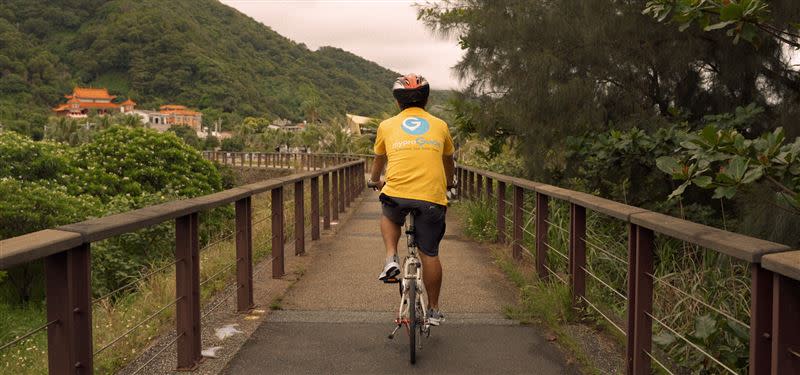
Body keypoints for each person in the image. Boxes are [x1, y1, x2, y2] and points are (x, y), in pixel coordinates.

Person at [368, 74, 455, 326]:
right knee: (430, 253)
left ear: (397, 103)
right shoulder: (440, 125)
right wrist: (449, 183)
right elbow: (448, 160)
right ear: (426, 99)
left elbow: (378, 161)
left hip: (396, 192)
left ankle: (391, 258)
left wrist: (375, 180)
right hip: (431, 197)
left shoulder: (386, 126)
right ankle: (435, 310)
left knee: (389, 214)